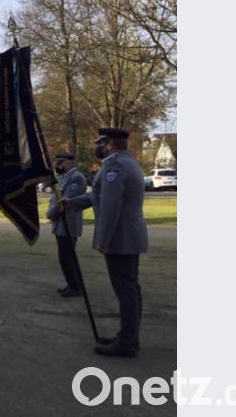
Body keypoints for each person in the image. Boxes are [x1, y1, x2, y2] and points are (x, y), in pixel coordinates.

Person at [63, 128, 148, 358]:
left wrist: (103, 239)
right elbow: (99, 196)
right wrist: (73, 203)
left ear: (109, 144)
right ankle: (128, 336)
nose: (97, 147)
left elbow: (111, 206)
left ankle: (127, 342)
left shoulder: (114, 167)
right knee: (130, 288)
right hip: (128, 235)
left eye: (100, 143)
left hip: (120, 237)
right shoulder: (127, 162)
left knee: (126, 290)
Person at [46, 153, 87, 298]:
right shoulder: (64, 177)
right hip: (61, 222)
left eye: (60, 162)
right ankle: (71, 284)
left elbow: (65, 201)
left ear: (69, 162)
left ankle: (75, 287)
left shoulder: (77, 178)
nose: (58, 165)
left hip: (68, 222)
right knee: (64, 257)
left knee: (67, 257)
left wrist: (51, 213)